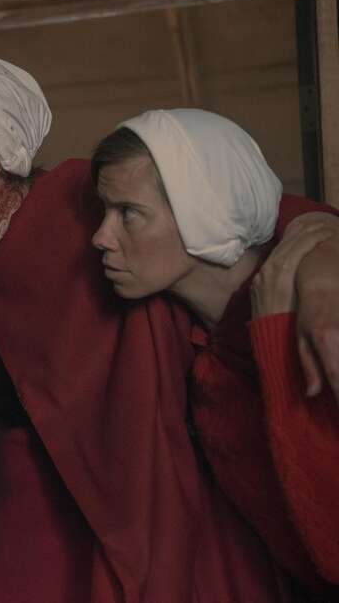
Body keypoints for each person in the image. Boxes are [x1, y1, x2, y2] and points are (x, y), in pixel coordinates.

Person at [0, 54, 339, 601]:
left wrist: (323, 254)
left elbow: (241, 206)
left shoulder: (86, 196)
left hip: (182, 524)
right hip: (48, 539)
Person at [90, 109, 339, 594]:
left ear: (202, 216)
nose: (100, 236)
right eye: (104, 211)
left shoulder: (317, 321)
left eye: (128, 213)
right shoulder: (200, 347)